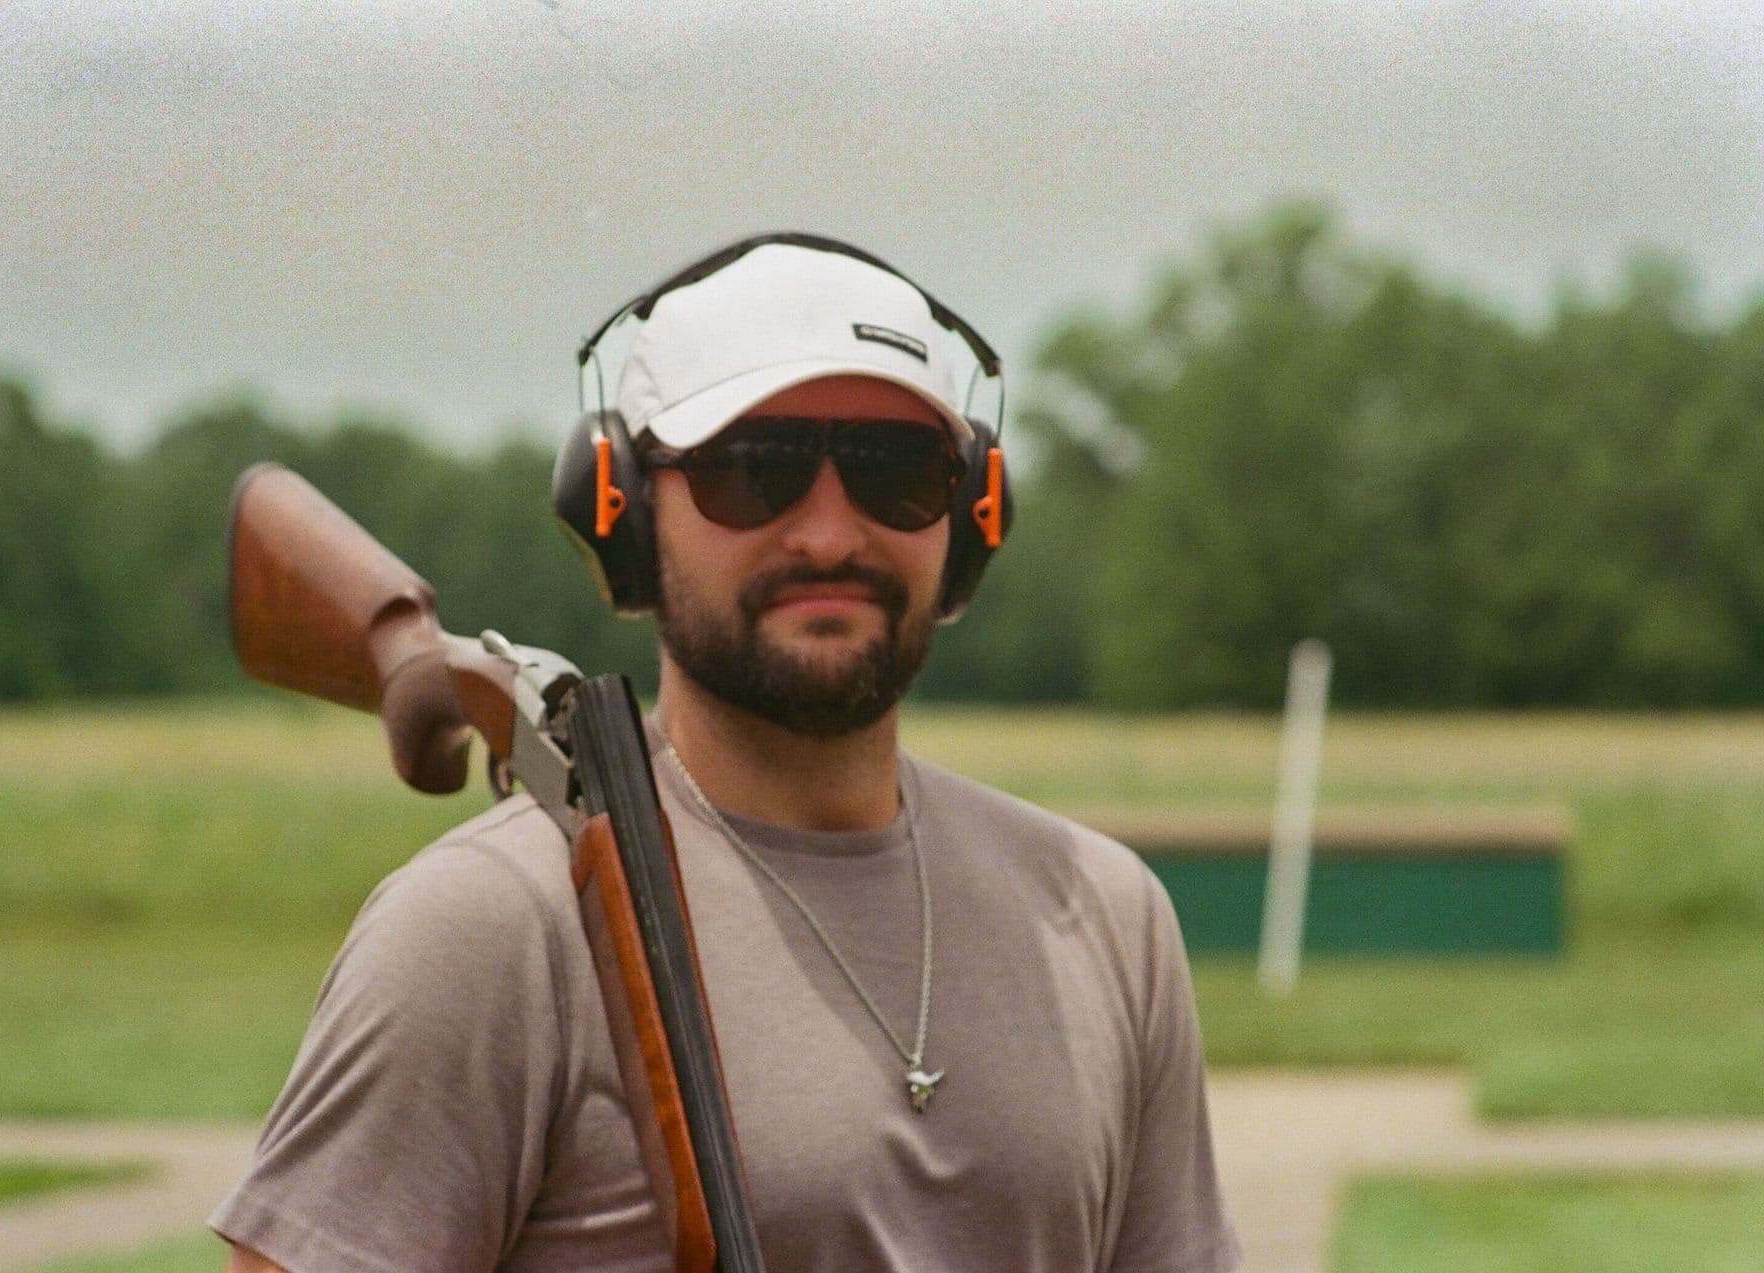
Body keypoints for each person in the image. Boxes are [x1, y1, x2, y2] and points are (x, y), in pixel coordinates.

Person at [212, 236, 1242, 1272]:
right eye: (756, 472)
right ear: (620, 508)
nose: (831, 534)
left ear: (974, 514)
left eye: (897, 473)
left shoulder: (1105, 913)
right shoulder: (486, 928)